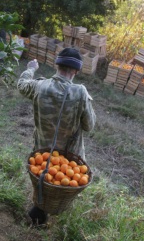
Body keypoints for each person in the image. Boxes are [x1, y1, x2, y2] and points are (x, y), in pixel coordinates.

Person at [17, 47, 96, 225]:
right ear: (76, 70)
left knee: (44, 183)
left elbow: (21, 85)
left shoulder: (40, 86)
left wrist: (30, 68)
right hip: (69, 157)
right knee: (64, 185)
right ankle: (40, 215)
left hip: (43, 154)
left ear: (57, 65)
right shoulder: (80, 92)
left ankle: (39, 212)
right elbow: (89, 126)